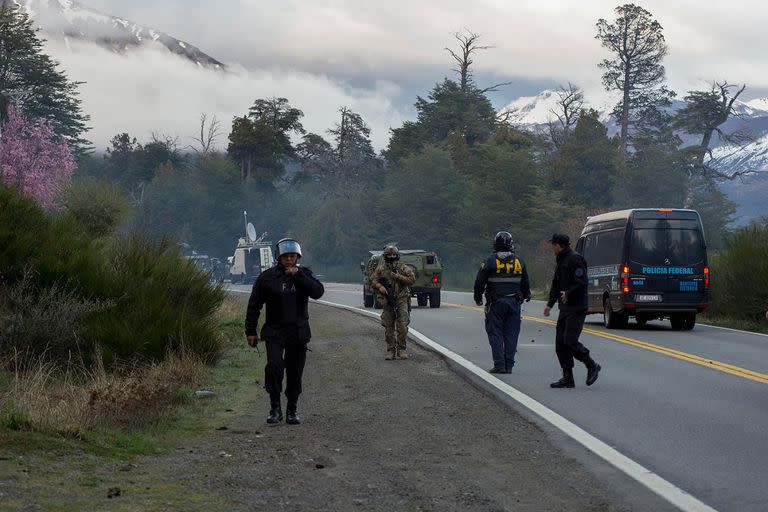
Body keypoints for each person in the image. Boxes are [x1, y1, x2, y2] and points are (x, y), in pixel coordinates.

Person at [245, 238, 324, 425]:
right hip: (274, 331)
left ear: (298, 257)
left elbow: (318, 292)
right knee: (274, 366)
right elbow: (254, 305)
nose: (289, 260)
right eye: (285, 257)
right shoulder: (267, 278)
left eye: (292, 256)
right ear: (279, 257)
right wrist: (250, 330)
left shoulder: (305, 274)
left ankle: (292, 409)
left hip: (298, 331)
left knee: (295, 372)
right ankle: (275, 407)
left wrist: (298, 276)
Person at [543, 234, 601, 388]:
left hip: (577, 307)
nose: (552, 248)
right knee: (560, 343)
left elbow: (582, 282)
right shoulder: (560, 259)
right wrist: (549, 305)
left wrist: (568, 293)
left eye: (553, 245)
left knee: (570, 341)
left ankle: (592, 365)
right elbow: (556, 284)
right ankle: (568, 377)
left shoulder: (575, 259)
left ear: (558, 245)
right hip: (565, 308)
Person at [473, 231, 531, 374]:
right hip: (514, 303)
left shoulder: (489, 261)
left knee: (495, 333)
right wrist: (526, 294)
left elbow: (479, 281)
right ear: (511, 245)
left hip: (496, 303)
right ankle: (509, 366)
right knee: (512, 334)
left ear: (495, 245)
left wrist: (478, 297)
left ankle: (499, 365)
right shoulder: (519, 261)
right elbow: (526, 282)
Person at [369, 245, 416, 360]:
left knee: (402, 326)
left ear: (397, 255)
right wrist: (379, 286)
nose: (391, 257)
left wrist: (398, 276)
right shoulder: (381, 269)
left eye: (393, 255)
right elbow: (372, 280)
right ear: (385, 256)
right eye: (389, 255)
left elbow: (412, 279)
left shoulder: (402, 267)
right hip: (387, 301)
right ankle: (390, 350)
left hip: (401, 299)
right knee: (388, 326)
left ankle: (402, 349)